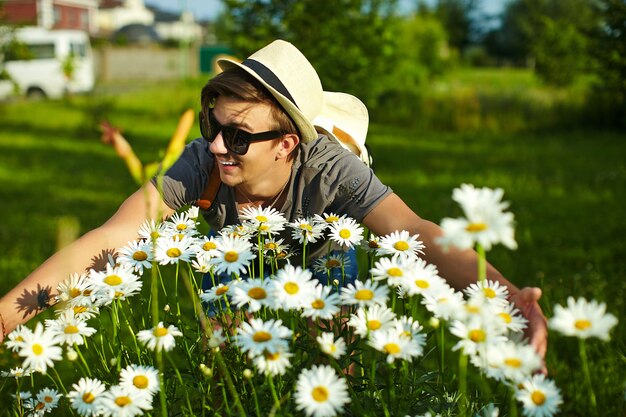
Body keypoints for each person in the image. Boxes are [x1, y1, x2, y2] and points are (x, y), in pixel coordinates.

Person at [0, 40, 547, 362]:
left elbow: (413, 228)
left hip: (322, 259)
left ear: (288, 144)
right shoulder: (200, 164)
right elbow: (113, 238)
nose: (216, 145)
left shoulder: (332, 171)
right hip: (231, 262)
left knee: (334, 364)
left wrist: (507, 298)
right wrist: (8, 314)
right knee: (228, 367)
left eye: (237, 135)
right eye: (212, 126)